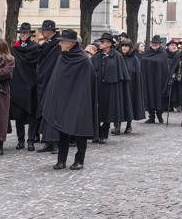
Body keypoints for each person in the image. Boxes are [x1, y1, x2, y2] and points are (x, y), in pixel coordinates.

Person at [41, 30, 97, 170]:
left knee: (80, 131)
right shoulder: (62, 57)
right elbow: (56, 79)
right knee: (62, 130)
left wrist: (80, 100)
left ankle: (80, 160)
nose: (60, 43)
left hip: (79, 101)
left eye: (62, 41)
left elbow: (88, 82)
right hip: (63, 100)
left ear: (71, 43)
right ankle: (61, 160)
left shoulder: (84, 60)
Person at [92, 32, 131, 141]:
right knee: (97, 112)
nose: (101, 44)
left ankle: (103, 135)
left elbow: (121, 74)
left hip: (111, 89)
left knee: (108, 113)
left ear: (109, 44)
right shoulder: (97, 56)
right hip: (98, 88)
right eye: (101, 42)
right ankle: (96, 134)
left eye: (103, 42)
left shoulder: (117, 56)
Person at [10, 23, 41, 151]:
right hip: (18, 84)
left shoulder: (35, 48)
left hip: (32, 83)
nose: (23, 35)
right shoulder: (15, 47)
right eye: (21, 33)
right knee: (19, 115)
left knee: (32, 113)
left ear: (30, 34)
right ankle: (21, 140)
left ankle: (31, 140)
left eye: (25, 33)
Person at [34, 20, 62, 153]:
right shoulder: (48, 43)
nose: (42, 32)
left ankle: (55, 143)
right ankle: (47, 141)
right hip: (44, 80)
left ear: (51, 31)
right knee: (45, 111)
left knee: (53, 111)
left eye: (44, 30)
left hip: (53, 81)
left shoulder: (58, 44)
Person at [140, 35, 170, 124]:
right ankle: (151, 116)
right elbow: (143, 62)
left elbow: (164, 66)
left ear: (159, 44)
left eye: (156, 43)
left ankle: (160, 115)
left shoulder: (163, 53)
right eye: (153, 43)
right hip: (148, 79)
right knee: (149, 97)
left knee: (159, 98)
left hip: (159, 80)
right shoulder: (147, 52)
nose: (155, 44)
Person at [119, 38, 145, 134]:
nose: (124, 48)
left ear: (130, 48)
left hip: (130, 86)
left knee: (129, 104)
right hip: (119, 86)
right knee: (118, 105)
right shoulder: (118, 57)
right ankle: (117, 126)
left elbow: (137, 74)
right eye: (123, 46)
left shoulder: (134, 59)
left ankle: (128, 125)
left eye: (126, 46)